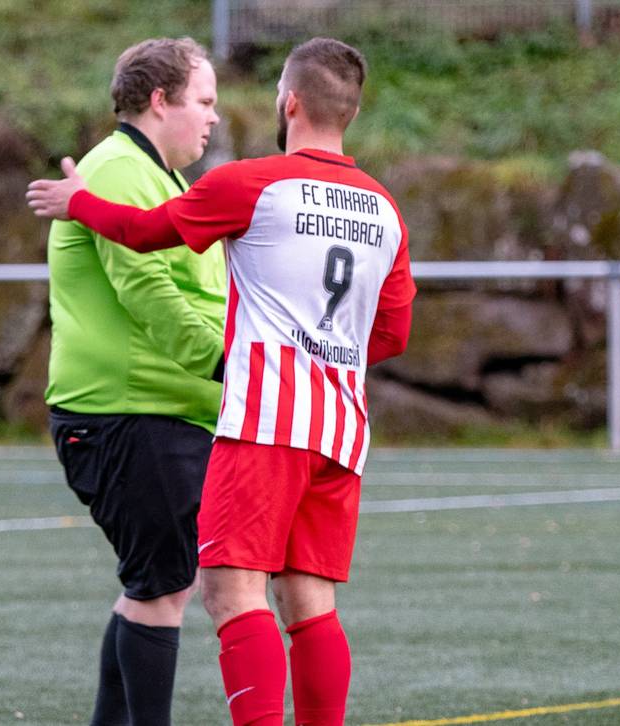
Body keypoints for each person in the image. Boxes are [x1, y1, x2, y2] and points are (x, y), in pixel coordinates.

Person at [29, 37, 416, 726]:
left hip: (266, 418)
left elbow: (144, 236)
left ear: (289, 102)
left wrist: (78, 203)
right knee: (311, 605)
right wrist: (327, 352)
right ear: (351, 113)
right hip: (340, 427)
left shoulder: (253, 182)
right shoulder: (385, 209)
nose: (212, 116)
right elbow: (391, 335)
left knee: (233, 595)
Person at [42, 37, 225, 725]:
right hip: (131, 414)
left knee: (155, 589)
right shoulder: (120, 172)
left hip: (158, 413)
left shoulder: (155, 177)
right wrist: (230, 366)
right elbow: (151, 297)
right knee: (160, 591)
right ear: (160, 101)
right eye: (203, 101)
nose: (212, 118)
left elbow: (199, 295)